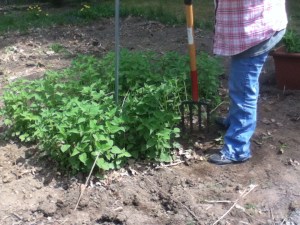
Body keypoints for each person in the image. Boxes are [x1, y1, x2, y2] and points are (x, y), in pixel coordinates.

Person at [208, 0, 288, 165]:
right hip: (250, 25)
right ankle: (233, 121)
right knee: (240, 83)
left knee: (243, 89)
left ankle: (238, 148)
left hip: (256, 29)